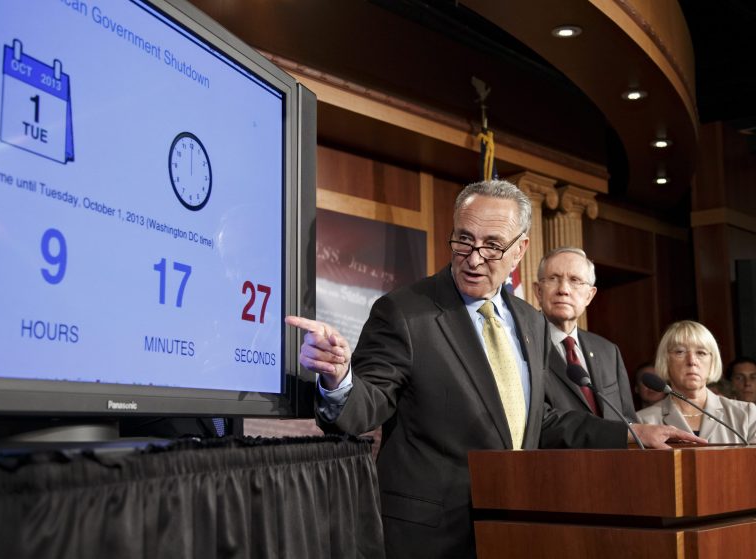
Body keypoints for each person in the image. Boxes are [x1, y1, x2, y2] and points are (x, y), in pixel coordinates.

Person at [287, 180, 703, 559]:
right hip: (429, 536)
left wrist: (632, 434)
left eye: (493, 245)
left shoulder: (531, 320)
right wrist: (339, 378)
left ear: (521, 249)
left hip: (515, 524)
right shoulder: (404, 311)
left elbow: (536, 419)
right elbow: (368, 404)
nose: (474, 258)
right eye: (464, 240)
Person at [533, 247, 637, 422]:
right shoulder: (524, 345)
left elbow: (628, 421)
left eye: (575, 280)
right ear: (538, 291)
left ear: (590, 295)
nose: (564, 289)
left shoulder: (608, 352)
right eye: (553, 279)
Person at [637, 320, 756, 443]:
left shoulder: (747, 414)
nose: (692, 361)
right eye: (680, 352)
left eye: (701, 353)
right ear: (665, 360)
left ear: (712, 362)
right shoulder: (643, 421)